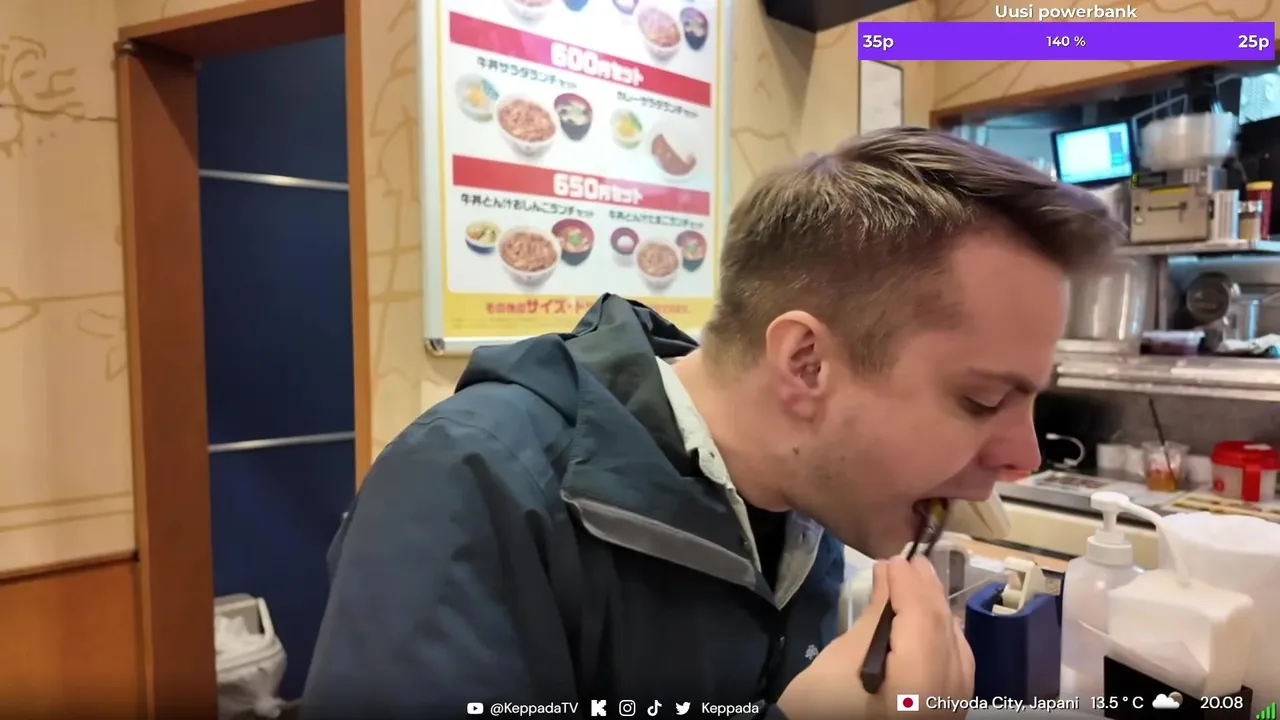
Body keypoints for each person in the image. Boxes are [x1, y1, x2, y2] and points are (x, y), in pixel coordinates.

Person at [302, 127, 1123, 719]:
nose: (1022, 456)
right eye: (981, 399)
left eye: (1031, 400)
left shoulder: (808, 494)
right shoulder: (468, 482)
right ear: (806, 364)